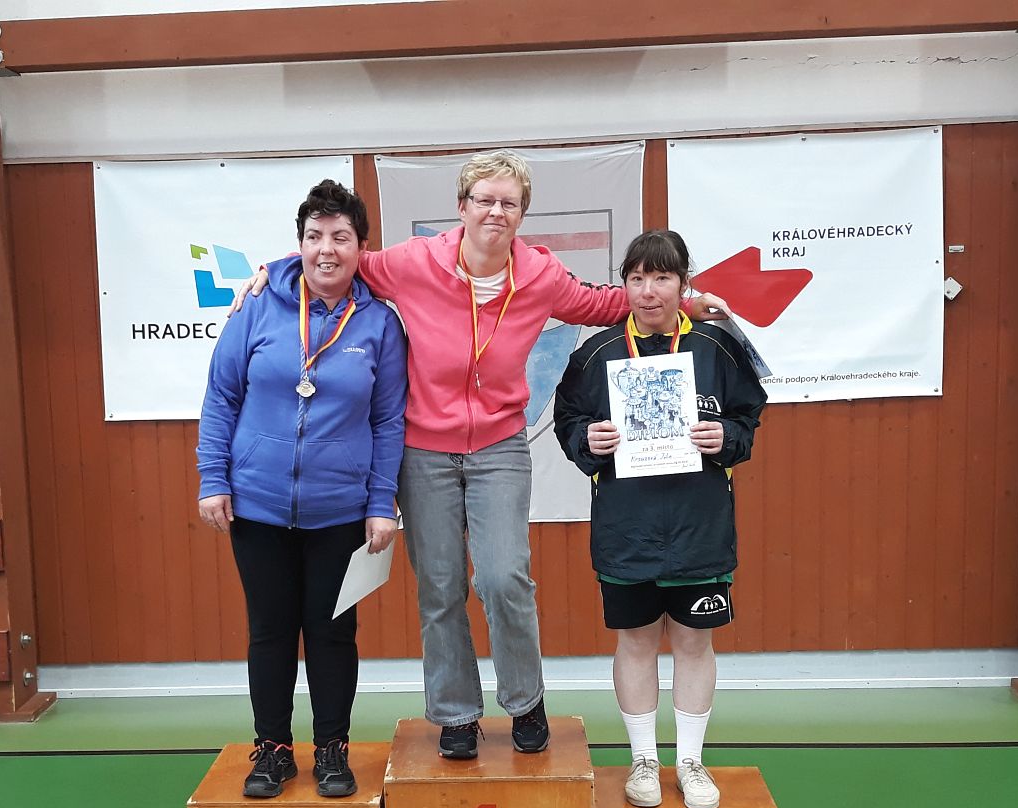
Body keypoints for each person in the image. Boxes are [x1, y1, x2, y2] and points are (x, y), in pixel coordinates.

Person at [235, 151, 728, 761]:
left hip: (499, 445)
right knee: (440, 587)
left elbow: (603, 305)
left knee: (503, 579)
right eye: (485, 200)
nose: (496, 211)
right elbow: (339, 260)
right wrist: (272, 270)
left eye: (509, 203)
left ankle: (525, 700)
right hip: (424, 447)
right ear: (462, 207)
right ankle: (455, 714)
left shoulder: (540, 275)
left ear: (522, 214)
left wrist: (685, 303)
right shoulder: (415, 262)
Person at [196, 180, 407, 798]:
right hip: (257, 505)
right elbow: (221, 396)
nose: (326, 250)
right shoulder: (257, 308)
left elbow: (388, 421)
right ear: (299, 244)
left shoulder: (380, 324)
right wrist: (213, 478)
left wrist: (381, 502)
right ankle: (272, 749)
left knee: (332, 634)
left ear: (361, 247)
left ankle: (333, 748)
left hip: (340, 511)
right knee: (270, 632)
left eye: (340, 237)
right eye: (314, 236)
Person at [552, 229, 766, 808]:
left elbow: (749, 415)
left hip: (700, 527)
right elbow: (568, 421)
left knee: (694, 643)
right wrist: (588, 440)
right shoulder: (596, 354)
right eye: (637, 278)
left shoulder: (717, 346)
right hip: (628, 529)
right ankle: (644, 759)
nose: (648, 291)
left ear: (682, 283)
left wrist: (727, 438)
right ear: (624, 285)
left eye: (662, 278)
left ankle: (690, 761)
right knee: (636, 642)